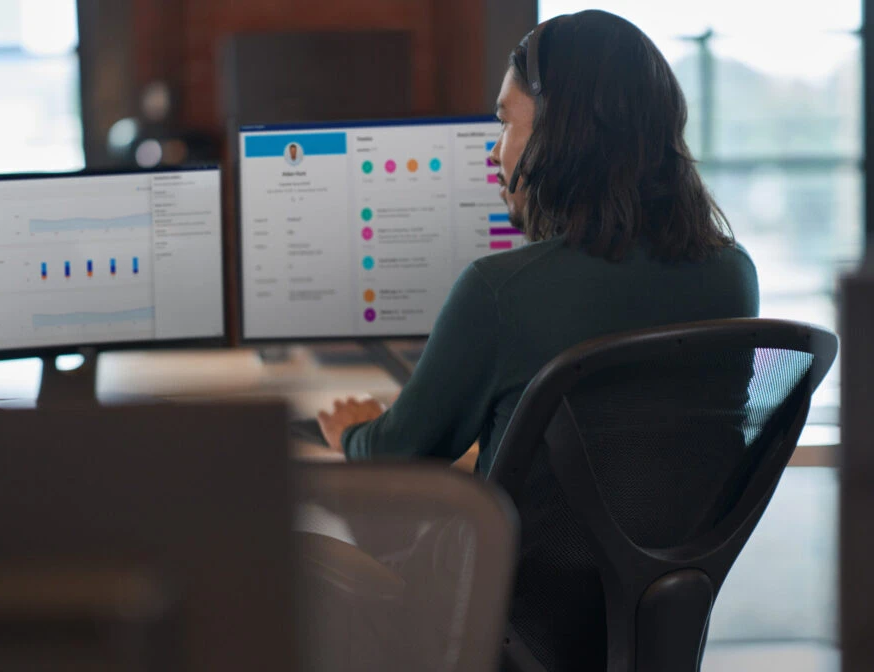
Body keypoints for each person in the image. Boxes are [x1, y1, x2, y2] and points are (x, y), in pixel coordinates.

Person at [317, 10, 758, 475]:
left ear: (558, 136)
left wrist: (354, 432)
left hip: (524, 550)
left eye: (506, 123)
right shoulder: (733, 274)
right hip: (685, 549)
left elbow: (400, 452)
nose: (494, 151)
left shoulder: (500, 292)